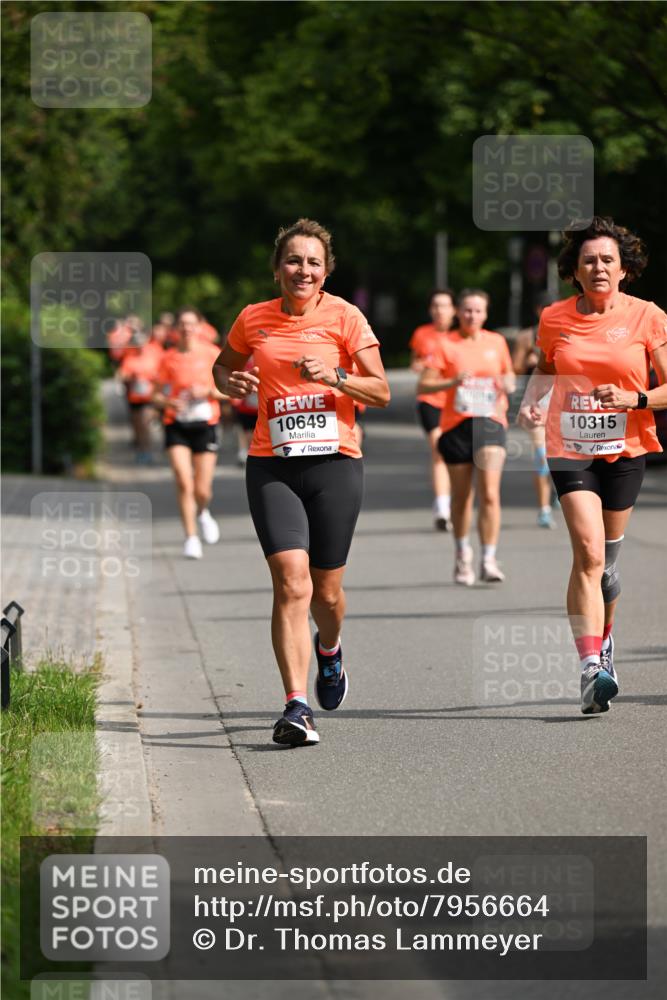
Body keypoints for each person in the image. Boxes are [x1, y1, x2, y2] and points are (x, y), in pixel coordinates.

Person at [213, 218, 390, 747]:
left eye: (313, 262)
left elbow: (381, 391)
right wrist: (229, 383)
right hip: (272, 463)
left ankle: (329, 650)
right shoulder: (253, 318)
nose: (303, 270)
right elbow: (222, 368)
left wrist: (335, 376)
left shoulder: (346, 317)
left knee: (326, 594)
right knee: (292, 582)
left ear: (326, 271)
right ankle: (296, 706)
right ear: (277, 269)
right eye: (293, 260)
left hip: (335, 464)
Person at [519, 216, 667, 715]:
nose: (599, 267)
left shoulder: (647, 316)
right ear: (575, 271)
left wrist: (634, 398)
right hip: (570, 447)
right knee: (588, 552)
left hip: (626, 448)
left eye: (608, 260)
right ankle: (588, 668)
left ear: (624, 269)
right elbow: (545, 368)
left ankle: (605, 643)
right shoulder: (554, 317)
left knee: (608, 566)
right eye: (589, 260)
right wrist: (531, 402)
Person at [419, 289, 515, 585]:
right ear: (458, 313)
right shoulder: (445, 344)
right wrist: (452, 381)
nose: (472, 316)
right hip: (456, 426)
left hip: (490, 422)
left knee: (490, 494)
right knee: (461, 498)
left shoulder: (496, 342)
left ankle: (489, 559)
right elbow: (424, 386)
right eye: (467, 310)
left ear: (486, 314)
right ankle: (463, 554)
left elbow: (509, 374)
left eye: (478, 311)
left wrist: (508, 384)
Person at [153, 307, 224, 559]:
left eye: (191, 323)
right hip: (176, 424)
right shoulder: (168, 358)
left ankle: (203, 511)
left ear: (199, 327)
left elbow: (228, 391)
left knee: (202, 489)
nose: (186, 328)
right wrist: (168, 403)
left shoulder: (212, 353)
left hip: (206, 424)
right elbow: (155, 395)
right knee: (184, 481)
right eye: (182, 324)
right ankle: (191, 538)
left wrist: (207, 392)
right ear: (176, 329)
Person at [409, 290, 457, 530]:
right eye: (436, 306)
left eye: (445, 306)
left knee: (456, 457)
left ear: (454, 310)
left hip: (456, 404)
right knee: (439, 451)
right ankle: (442, 508)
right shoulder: (422, 334)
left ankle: (454, 502)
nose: (440, 310)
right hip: (429, 400)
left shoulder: (459, 337)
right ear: (430, 310)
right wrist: (419, 366)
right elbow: (415, 361)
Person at [512, 291, 558, 528]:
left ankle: (560, 489)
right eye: (545, 309)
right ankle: (544, 510)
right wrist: (528, 361)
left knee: (561, 457)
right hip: (537, 403)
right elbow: (514, 369)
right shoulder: (526, 337)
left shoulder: (568, 332)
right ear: (538, 311)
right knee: (542, 456)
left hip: (563, 402)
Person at [118, 326, 164, 464]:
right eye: (136, 341)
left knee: (144, 423)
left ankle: (147, 451)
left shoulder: (154, 353)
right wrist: (131, 377)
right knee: (138, 425)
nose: (138, 344)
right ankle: (142, 449)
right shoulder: (130, 357)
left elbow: (163, 372)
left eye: (141, 340)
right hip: (134, 397)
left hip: (150, 396)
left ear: (146, 340)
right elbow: (122, 375)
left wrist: (152, 378)